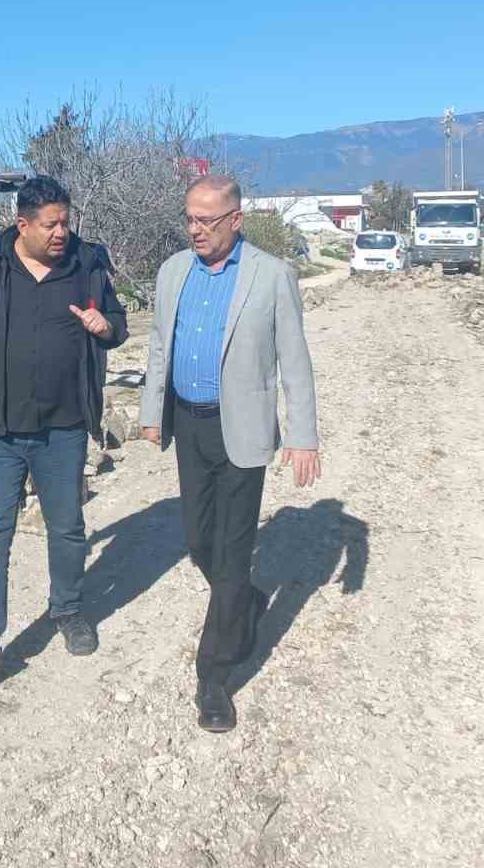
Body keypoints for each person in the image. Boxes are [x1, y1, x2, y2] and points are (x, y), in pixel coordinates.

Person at [0, 175, 129, 700]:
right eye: (50, 225)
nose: (62, 233)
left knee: (67, 528)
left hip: (63, 428)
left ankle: (68, 610)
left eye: (66, 222)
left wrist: (104, 326)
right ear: (22, 224)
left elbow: (119, 323)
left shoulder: (87, 264)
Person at [139, 174, 320, 733]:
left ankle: (215, 675)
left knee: (235, 547)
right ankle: (242, 600)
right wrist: (150, 411)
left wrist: (303, 436)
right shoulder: (173, 271)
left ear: (235, 220)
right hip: (189, 425)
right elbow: (160, 345)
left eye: (206, 220)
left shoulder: (272, 274)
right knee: (199, 540)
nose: (195, 230)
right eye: (189, 218)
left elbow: (295, 361)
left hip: (241, 427)